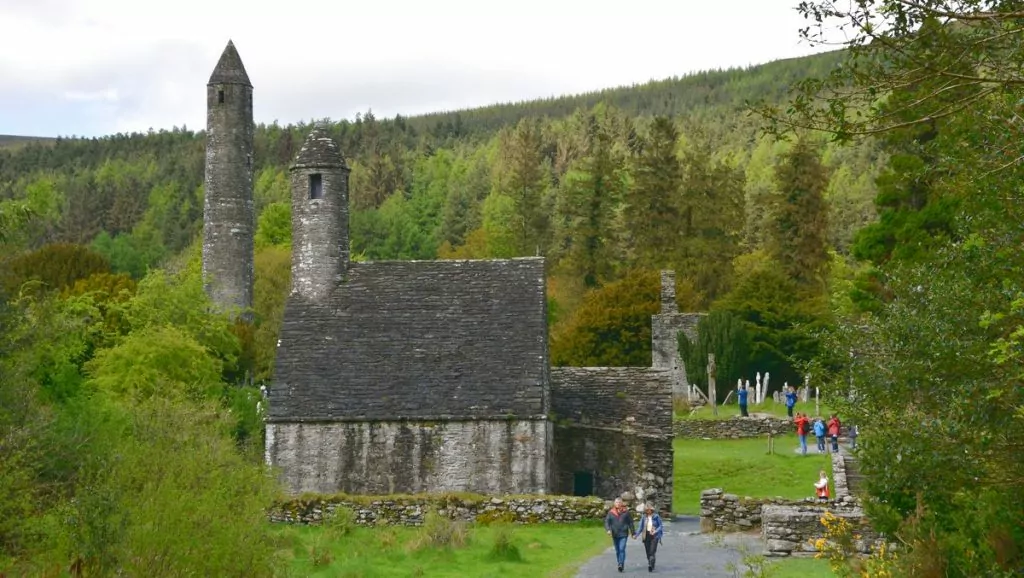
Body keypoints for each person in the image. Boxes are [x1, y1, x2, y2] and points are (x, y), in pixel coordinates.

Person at [604, 497, 636, 573]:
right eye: (616, 502)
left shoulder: (626, 512)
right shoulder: (611, 512)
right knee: (617, 550)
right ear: (614, 503)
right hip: (615, 534)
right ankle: (619, 563)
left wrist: (633, 533)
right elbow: (607, 522)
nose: (618, 503)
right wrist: (608, 530)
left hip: (623, 534)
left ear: (622, 503)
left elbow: (630, 523)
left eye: (619, 502)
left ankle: (621, 564)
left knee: (622, 549)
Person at [633, 502, 664, 573]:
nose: (648, 511)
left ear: (652, 510)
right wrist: (636, 535)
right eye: (647, 510)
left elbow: (661, 526)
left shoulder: (656, 516)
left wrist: (655, 531)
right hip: (646, 536)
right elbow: (640, 527)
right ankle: (651, 562)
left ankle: (650, 565)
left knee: (652, 551)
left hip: (654, 536)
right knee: (648, 552)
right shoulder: (644, 517)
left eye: (649, 509)